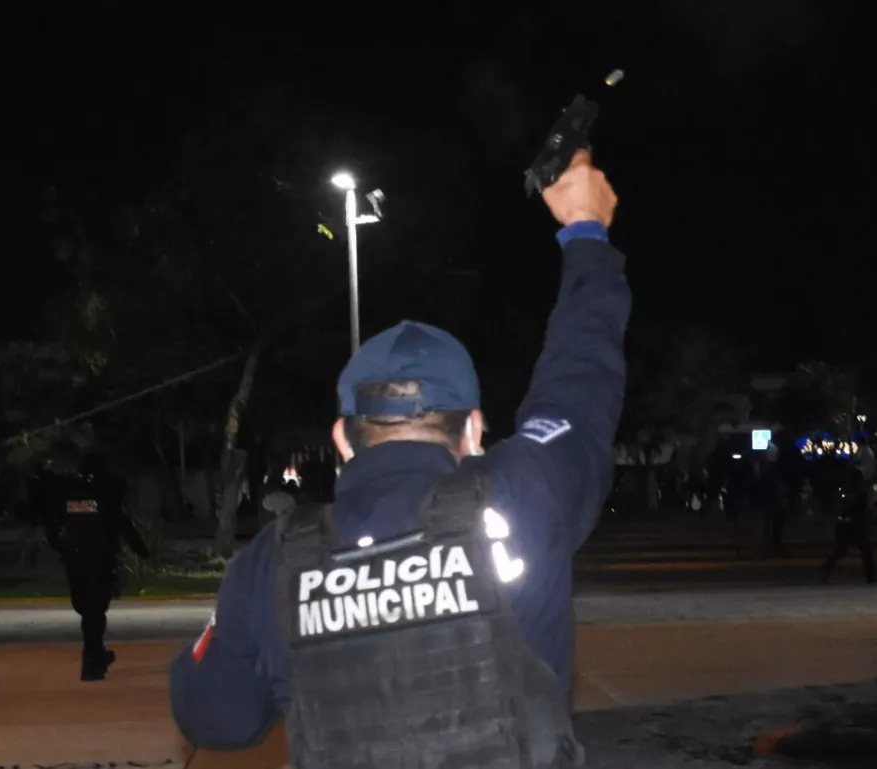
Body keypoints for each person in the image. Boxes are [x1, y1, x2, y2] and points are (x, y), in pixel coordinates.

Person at [169, 150, 627, 766]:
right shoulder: (524, 497)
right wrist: (585, 232)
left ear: (341, 439)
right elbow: (581, 379)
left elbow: (212, 716)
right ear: (473, 430)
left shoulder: (273, 564)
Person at [45, 454, 150, 681]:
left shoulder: (68, 496)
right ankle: (92, 660)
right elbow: (123, 526)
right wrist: (143, 553)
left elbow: (51, 526)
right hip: (100, 562)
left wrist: (62, 549)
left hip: (75, 562)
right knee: (95, 612)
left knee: (87, 612)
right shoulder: (104, 496)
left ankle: (96, 654)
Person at [822, 460, 877, 584]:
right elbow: (863, 509)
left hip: (845, 523)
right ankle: (871, 575)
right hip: (855, 524)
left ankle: (826, 570)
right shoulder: (859, 493)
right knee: (864, 550)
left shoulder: (846, 491)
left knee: (840, 550)